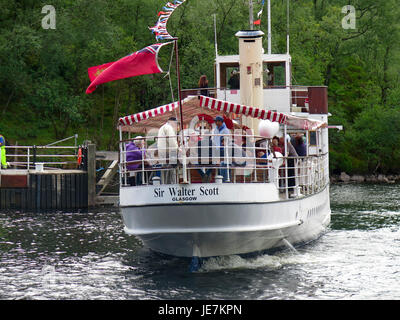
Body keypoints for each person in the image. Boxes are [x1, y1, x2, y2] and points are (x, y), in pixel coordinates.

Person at [158, 117, 179, 183]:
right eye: (176, 124)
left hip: (162, 153)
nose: (176, 126)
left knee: (165, 170)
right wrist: (177, 149)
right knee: (172, 168)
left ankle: (165, 184)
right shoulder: (169, 128)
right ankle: (172, 184)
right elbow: (172, 141)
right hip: (168, 153)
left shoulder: (162, 127)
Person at [213, 115, 231, 182]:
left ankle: (224, 178)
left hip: (223, 149)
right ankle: (220, 178)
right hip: (217, 149)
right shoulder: (216, 129)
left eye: (216, 121)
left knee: (223, 163)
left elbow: (225, 141)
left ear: (220, 122)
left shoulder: (226, 130)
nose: (215, 123)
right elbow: (214, 139)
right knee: (218, 163)